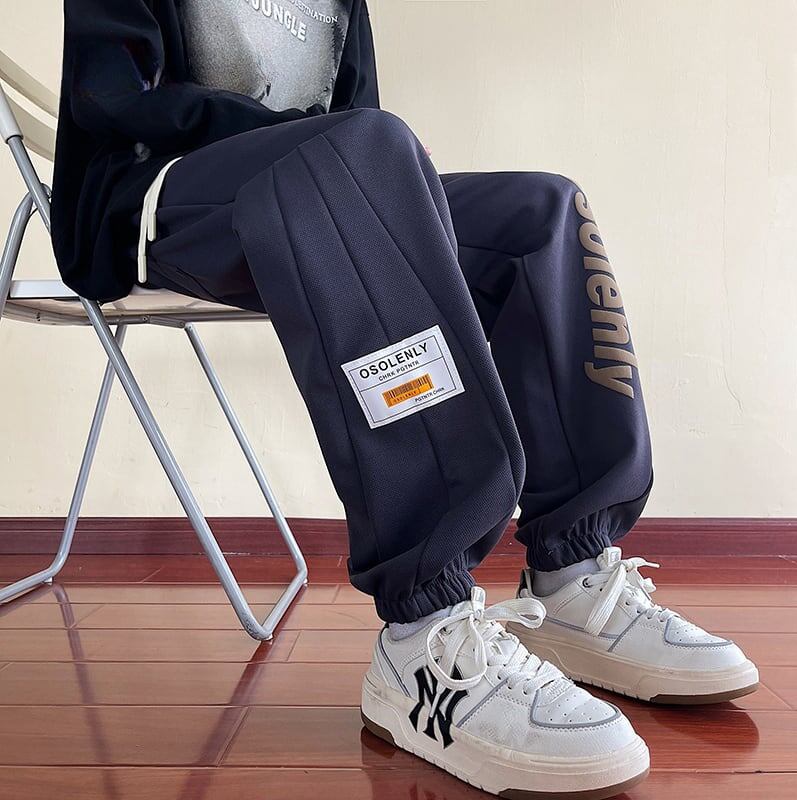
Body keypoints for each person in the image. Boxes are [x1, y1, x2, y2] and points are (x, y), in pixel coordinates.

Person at [52, 2, 758, 797]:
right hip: (158, 199)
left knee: (541, 212)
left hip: (315, 194)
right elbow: (109, 96)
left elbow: (361, 115)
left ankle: (574, 576)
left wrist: (355, 155)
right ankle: (425, 636)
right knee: (356, 152)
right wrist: (304, 140)